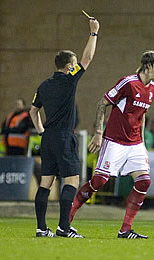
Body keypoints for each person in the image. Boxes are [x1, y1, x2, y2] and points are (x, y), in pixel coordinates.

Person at [69, 50, 154, 239]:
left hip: (135, 143)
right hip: (115, 141)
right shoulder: (128, 82)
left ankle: (125, 230)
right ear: (149, 65)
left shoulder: (153, 88)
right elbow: (102, 103)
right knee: (99, 182)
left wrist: (143, 144)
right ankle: (66, 222)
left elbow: (141, 114)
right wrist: (98, 133)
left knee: (144, 181)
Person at [29, 17, 100, 238]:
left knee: (46, 183)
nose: (77, 64)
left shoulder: (43, 85)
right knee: (72, 181)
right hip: (62, 138)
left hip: (48, 138)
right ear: (69, 66)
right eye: (74, 62)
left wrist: (41, 130)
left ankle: (42, 228)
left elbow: (33, 111)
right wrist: (93, 32)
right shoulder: (68, 80)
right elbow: (88, 58)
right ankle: (63, 227)